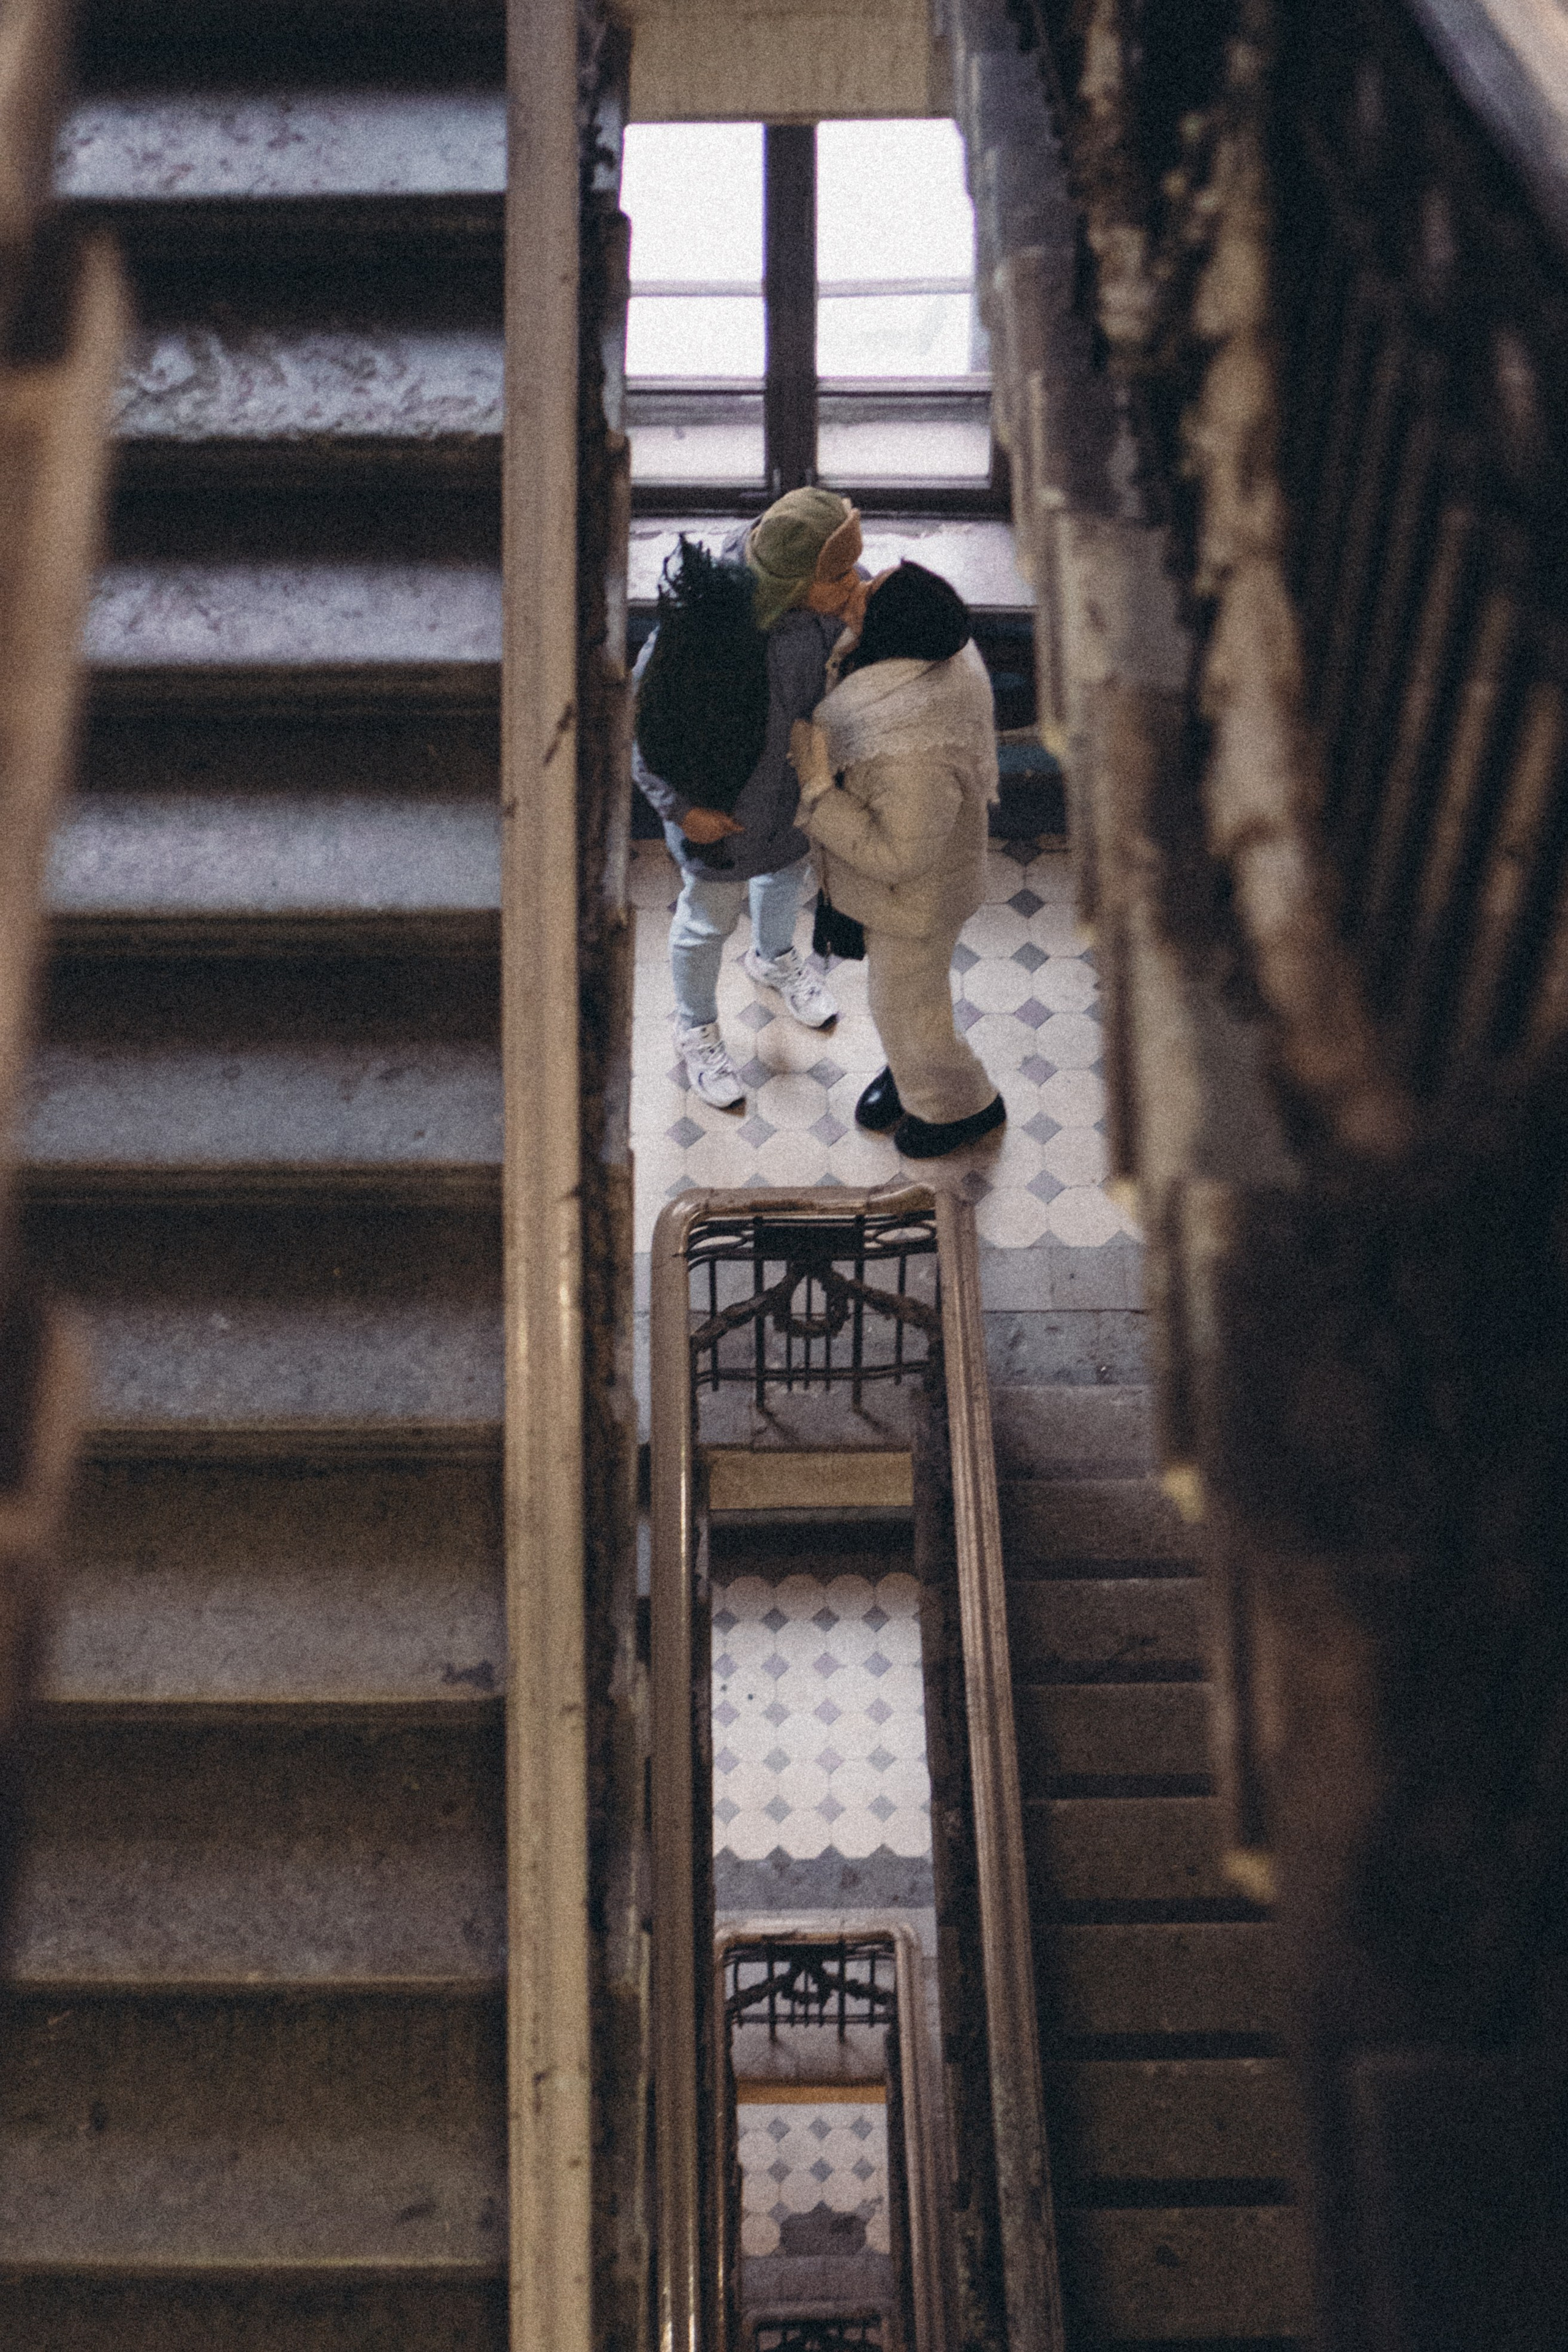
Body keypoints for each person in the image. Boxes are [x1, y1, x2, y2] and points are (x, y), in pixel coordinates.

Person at [633, 488, 866, 1107]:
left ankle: (774, 958)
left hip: (792, 803)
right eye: (839, 575)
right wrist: (681, 811)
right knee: (706, 922)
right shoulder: (705, 625)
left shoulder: (832, 603)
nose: (854, 583)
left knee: (786, 880)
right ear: (793, 580)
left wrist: (858, 626)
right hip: (721, 818)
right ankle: (695, 1025)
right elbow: (644, 727)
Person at [791, 560, 1007, 1160]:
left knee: (908, 1012)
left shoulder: (910, 750)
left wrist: (817, 791)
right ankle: (909, 1076)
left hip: (915, 902)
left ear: (892, 635)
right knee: (906, 1005)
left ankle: (958, 1107)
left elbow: (896, 857)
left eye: (867, 596)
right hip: (912, 894)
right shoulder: (933, 646)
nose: (854, 593)